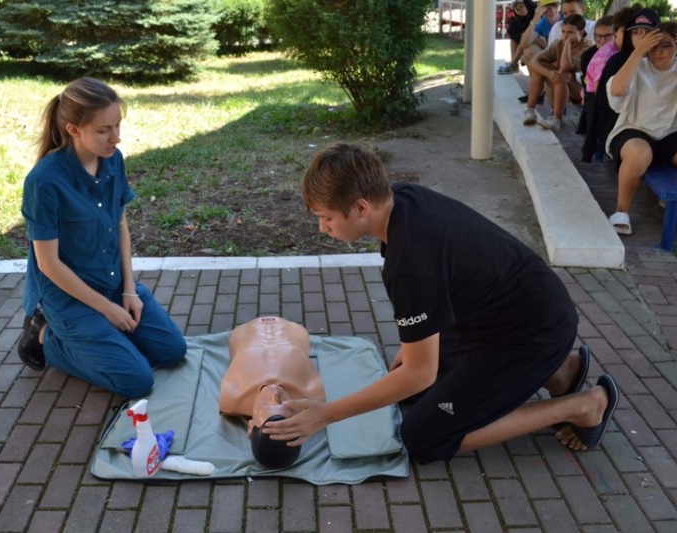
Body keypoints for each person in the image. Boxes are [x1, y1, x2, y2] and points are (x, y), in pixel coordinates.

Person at [263, 142, 620, 464]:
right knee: (413, 394)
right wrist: (414, 359)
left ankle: (582, 406)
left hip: (531, 333)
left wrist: (325, 414)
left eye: (326, 218)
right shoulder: (400, 199)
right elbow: (428, 326)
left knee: (424, 436)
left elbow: (419, 373)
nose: (323, 229)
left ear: (360, 207)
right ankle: (561, 373)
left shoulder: (410, 262)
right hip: (515, 314)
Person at [17, 77, 187, 398]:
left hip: (111, 285)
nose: (116, 138)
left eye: (117, 125)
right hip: (68, 299)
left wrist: (128, 291)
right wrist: (108, 311)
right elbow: (48, 265)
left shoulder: (113, 161)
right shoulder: (44, 182)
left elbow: (120, 224)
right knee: (137, 381)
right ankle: (45, 336)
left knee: (172, 351)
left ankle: (104, 338)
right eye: (104, 130)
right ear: (73, 130)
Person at [219, 316, 326, 469]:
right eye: (284, 404)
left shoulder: (231, 398)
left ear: (250, 427)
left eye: (266, 406)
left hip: (246, 329)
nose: (274, 394)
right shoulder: (313, 394)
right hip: (291, 328)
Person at [606, 21, 677, 235]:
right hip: (633, 129)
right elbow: (617, 91)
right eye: (653, 45)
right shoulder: (637, 66)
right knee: (639, 153)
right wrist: (638, 52)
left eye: (665, 45)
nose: (658, 51)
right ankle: (621, 212)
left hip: (669, 134)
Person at [584, 7, 660, 164]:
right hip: (621, 126)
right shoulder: (616, 61)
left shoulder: (664, 60)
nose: (642, 37)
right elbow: (612, 100)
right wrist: (639, 52)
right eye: (636, 32)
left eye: (647, 32)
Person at [523, 14, 593, 131]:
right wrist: (549, 73)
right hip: (563, 85)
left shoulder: (587, 46)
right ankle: (530, 110)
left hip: (582, 91)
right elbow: (533, 62)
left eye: (570, 33)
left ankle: (557, 118)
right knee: (541, 68)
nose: (565, 36)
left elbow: (565, 67)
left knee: (563, 74)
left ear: (581, 32)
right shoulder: (558, 43)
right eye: (563, 32)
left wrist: (568, 43)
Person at [498, 0, 537, 75]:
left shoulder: (535, 15)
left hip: (538, 41)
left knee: (524, 39)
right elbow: (511, 32)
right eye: (517, 9)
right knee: (515, 40)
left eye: (522, 6)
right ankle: (514, 64)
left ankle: (513, 63)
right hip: (525, 45)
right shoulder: (517, 21)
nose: (520, 10)